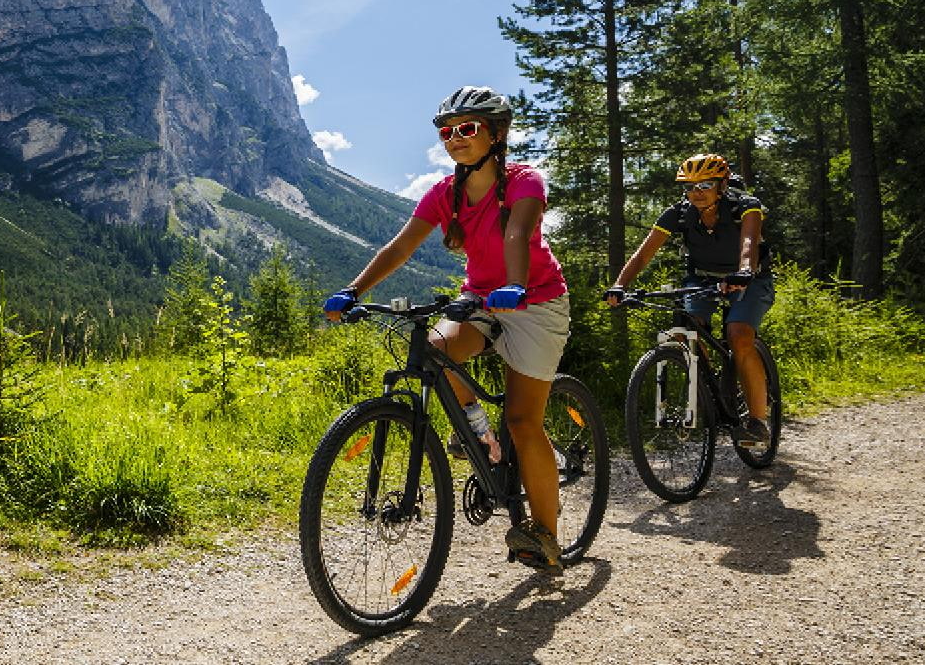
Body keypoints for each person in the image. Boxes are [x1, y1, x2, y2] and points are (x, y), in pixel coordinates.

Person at [323, 86, 571, 572]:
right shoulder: (445, 193)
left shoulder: (524, 182)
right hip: (480, 298)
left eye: (467, 129)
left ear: (496, 135)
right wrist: (353, 290)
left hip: (536, 302)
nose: (454, 138)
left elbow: (518, 233)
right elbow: (400, 248)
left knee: (523, 422)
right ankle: (478, 434)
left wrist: (516, 285)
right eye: (446, 131)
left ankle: (542, 532)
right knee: (437, 347)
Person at [605, 153, 774, 449]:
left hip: (749, 278)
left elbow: (748, 243)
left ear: (721, 185)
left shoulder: (746, 206)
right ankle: (712, 389)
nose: (696, 192)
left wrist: (744, 271)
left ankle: (758, 422)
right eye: (689, 186)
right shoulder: (679, 213)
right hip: (702, 280)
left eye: (705, 184)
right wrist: (620, 285)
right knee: (686, 331)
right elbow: (644, 253)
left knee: (738, 334)